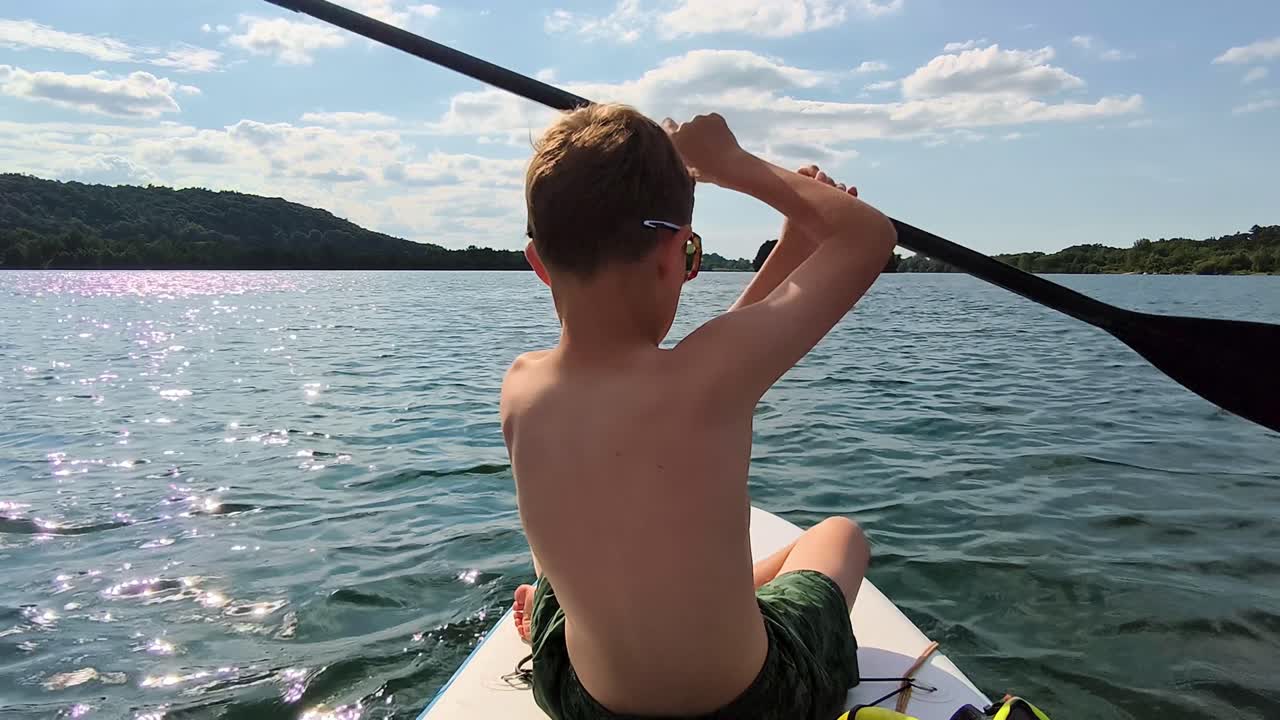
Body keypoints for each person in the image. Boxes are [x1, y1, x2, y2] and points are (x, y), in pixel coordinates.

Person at [500, 103, 896, 720]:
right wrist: (734, 166)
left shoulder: (520, 387)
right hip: (748, 704)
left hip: (579, 697)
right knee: (838, 537)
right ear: (677, 255)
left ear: (538, 264)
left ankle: (548, 607)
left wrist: (792, 248)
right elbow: (869, 236)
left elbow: (718, 349)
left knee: (573, 553)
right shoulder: (708, 378)